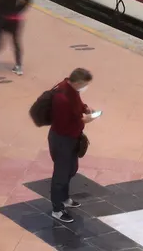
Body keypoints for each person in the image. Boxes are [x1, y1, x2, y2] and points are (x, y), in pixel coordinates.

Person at [48, 68, 98, 223]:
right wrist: (84, 121)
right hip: (62, 139)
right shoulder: (62, 97)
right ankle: (57, 209)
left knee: (71, 169)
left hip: (71, 138)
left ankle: (64, 198)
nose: (85, 87)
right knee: (60, 175)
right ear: (77, 82)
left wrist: (85, 108)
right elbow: (64, 125)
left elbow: (77, 103)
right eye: (84, 85)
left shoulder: (71, 90)